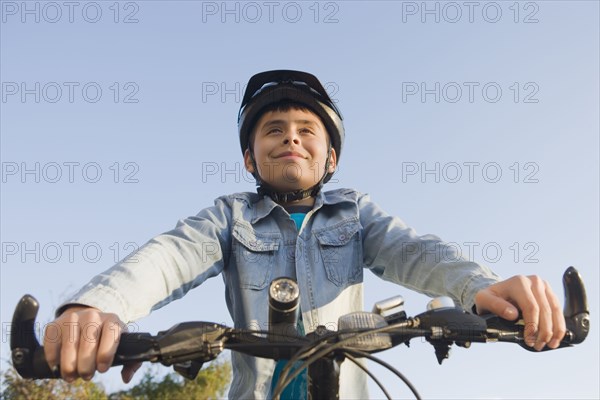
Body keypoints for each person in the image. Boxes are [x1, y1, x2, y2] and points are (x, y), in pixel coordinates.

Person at [43, 70, 566, 399]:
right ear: (250, 157)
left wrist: (478, 288)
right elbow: (169, 257)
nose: (290, 136)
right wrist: (97, 306)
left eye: (305, 129)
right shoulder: (231, 215)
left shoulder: (355, 211)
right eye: (273, 130)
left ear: (329, 156)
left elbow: (413, 250)